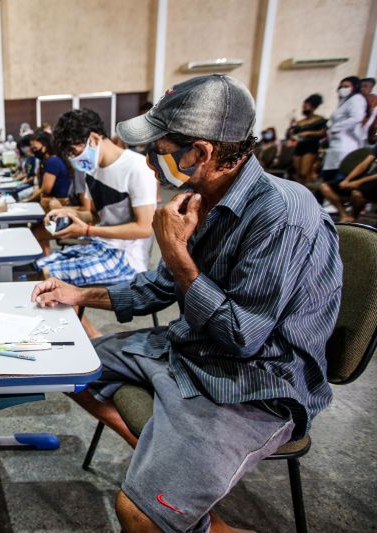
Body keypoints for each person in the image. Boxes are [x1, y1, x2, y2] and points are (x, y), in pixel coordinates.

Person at [31, 74, 342, 533]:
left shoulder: (282, 215)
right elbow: (158, 288)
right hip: (193, 349)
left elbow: (243, 338)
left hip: (254, 383)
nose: (153, 161)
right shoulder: (201, 198)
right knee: (71, 369)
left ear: (200, 152)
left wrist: (178, 258)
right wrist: (81, 295)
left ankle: (178, 495)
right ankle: (172, 469)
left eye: (161, 147)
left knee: (139, 516)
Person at [36, 109, 156, 288]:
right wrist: (66, 212)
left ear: (93, 139)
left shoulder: (137, 167)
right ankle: (73, 315)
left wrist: (87, 231)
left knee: (49, 278)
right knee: (37, 267)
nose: (73, 159)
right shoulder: (91, 170)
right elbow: (95, 215)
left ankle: (76, 316)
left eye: (73, 152)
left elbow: (144, 228)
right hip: (100, 245)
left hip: (127, 258)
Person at [322, 77, 368, 181]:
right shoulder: (344, 102)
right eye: (341, 86)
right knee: (329, 176)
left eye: (346, 86)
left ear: (355, 87)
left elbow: (357, 117)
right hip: (336, 145)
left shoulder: (357, 99)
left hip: (346, 146)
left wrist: (336, 128)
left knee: (338, 177)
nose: (343, 89)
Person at [319, 144, 377, 221]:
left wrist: (358, 182)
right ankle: (344, 214)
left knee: (357, 194)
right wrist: (347, 180)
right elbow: (364, 164)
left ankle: (353, 216)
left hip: (373, 181)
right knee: (325, 186)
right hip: (364, 178)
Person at [25, 130, 73, 210]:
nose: (34, 151)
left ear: (45, 146)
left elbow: (45, 189)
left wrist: (26, 202)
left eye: (35, 148)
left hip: (58, 204)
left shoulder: (52, 161)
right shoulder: (47, 161)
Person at [287, 94, 327, 184]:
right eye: (303, 106)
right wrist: (292, 134)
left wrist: (308, 133)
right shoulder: (300, 122)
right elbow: (292, 133)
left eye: (306, 105)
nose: (304, 108)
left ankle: (308, 194)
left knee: (304, 173)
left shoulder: (319, 119)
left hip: (311, 147)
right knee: (298, 174)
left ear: (313, 106)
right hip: (299, 147)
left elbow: (323, 133)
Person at [360, 77, 377, 144]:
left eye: (365, 86)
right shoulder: (354, 101)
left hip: (366, 140)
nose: (362, 89)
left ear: (371, 89)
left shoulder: (375, 103)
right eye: (360, 86)